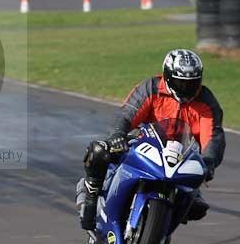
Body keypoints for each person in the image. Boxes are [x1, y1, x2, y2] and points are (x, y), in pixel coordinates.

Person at [78, 49, 225, 231]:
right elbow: (126, 114)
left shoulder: (206, 101)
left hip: (181, 156)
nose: (186, 88)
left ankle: (162, 229)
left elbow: (213, 136)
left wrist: (209, 161)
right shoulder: (151, 88)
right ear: (168, 76)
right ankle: (91, 199)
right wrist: (118, 135)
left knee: (196, 207)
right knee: (99, 151)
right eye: (181, 82)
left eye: (192, 83)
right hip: (144, 144)